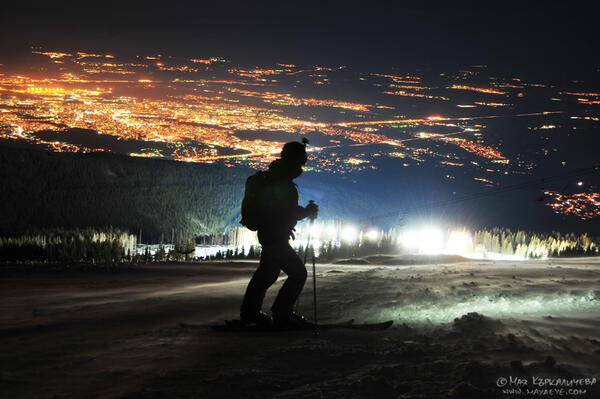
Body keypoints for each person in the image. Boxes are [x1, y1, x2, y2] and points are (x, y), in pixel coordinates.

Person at [240, 140, 319, 328]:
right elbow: (286, 211)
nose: (303, 164)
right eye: (301, 160)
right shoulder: (282, 182)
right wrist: (306, 212)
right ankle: (282, 314)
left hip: (271, 235)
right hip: (275, 237)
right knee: (298, 273)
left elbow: (280, 210)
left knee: (266, 275)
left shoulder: (275, 177)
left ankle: (250, 314)